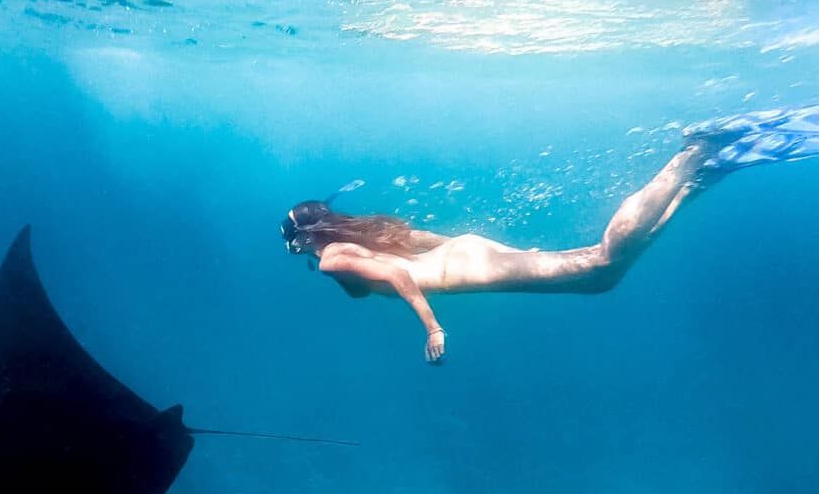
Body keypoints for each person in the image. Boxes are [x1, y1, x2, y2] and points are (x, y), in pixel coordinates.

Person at [281, 106, 819, 364]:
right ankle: (702, 174)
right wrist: (503, 255)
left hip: (467, 270)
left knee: (601, 266)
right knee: (597, 273)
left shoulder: (331, 260)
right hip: (468, 259)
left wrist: (432, 327)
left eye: (292, 241)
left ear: (304, 236)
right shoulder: (351, 240)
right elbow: (421, 240)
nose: (295, 250)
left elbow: (397, 270)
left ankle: (693, 153)